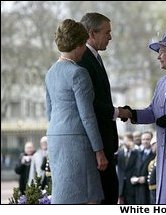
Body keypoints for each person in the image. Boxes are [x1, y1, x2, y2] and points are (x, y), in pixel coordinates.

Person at [45, 19, 108, 204]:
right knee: (88, 198)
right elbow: (87, 115)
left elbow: (49, 111)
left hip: (55, 138)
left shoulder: (50, 72)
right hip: (77, 141)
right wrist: (99, 150)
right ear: (78, 45)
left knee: (64, 198)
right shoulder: (78, 73)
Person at [122, 28, 166, 204]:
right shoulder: (161, 83)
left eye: (162, 52)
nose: (158, 56)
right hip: (163, 153)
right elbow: (152, 112)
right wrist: (130, 113)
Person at [78, 12, 130, 204]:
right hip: (96, 146)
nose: (111, 37)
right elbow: (89, 103)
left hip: (105, 144)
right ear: (92, 33)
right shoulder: (83, 60)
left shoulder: (95, 58)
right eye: (107, 32)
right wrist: (117, 112)